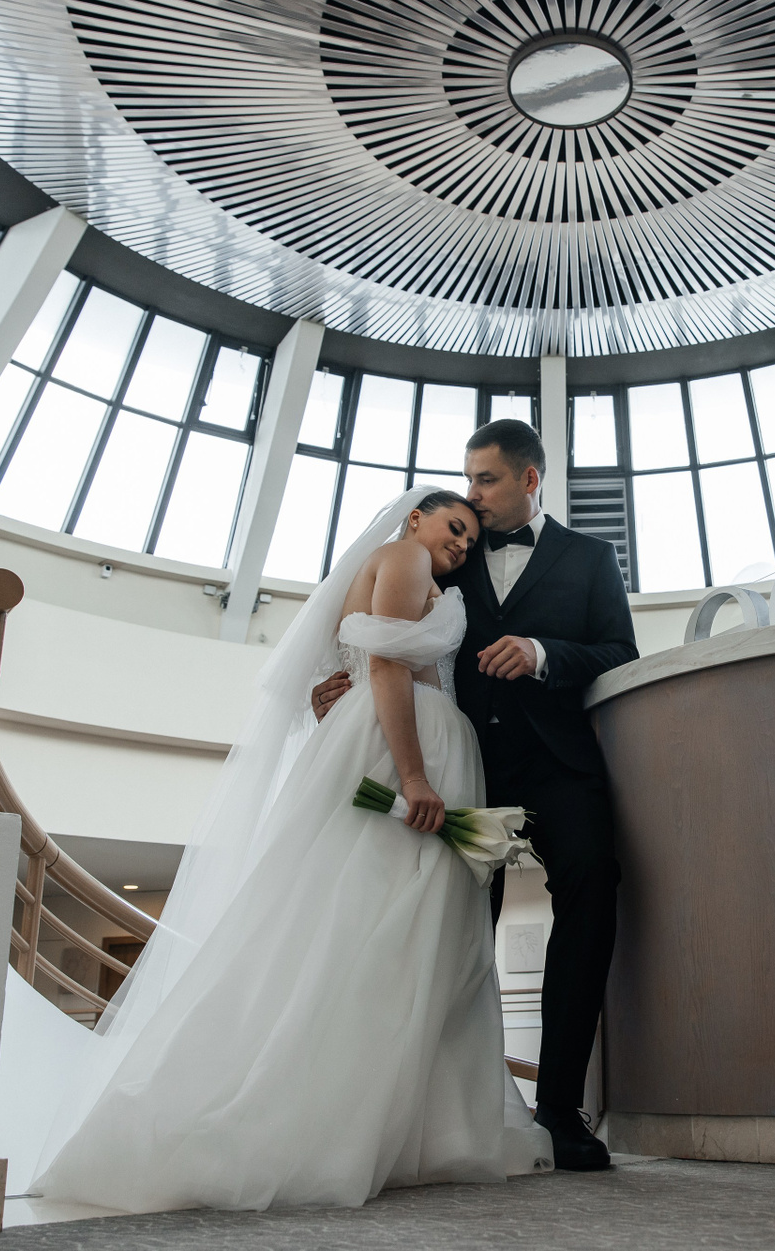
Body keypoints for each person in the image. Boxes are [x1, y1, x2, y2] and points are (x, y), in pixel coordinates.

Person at [31, 488, 552, 1213]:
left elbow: (368, 663)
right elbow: (387, 668)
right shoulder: (404, 557)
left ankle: (396, 1125)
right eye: (453, 526)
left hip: (397, 738)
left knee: (377, 930)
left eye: (470, 538)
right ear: (415, 518)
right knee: (382, 932)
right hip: (402, 748)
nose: (462, 544)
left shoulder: (404, 568)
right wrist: (412, 776)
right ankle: (350, 1126)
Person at [314, 420, 638, 1171]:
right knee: (447, 927)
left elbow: (619, 651)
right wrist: (342, 681)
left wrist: (543, 652)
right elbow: (384, 630)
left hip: (558, 767)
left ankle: (560, 1107)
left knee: (593, 885)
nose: (472, 495)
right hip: (463, 768)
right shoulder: (448, 550)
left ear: (530, 479)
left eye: (486, 479)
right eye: (467, 480)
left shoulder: (591, 559)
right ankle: (430, 1112)